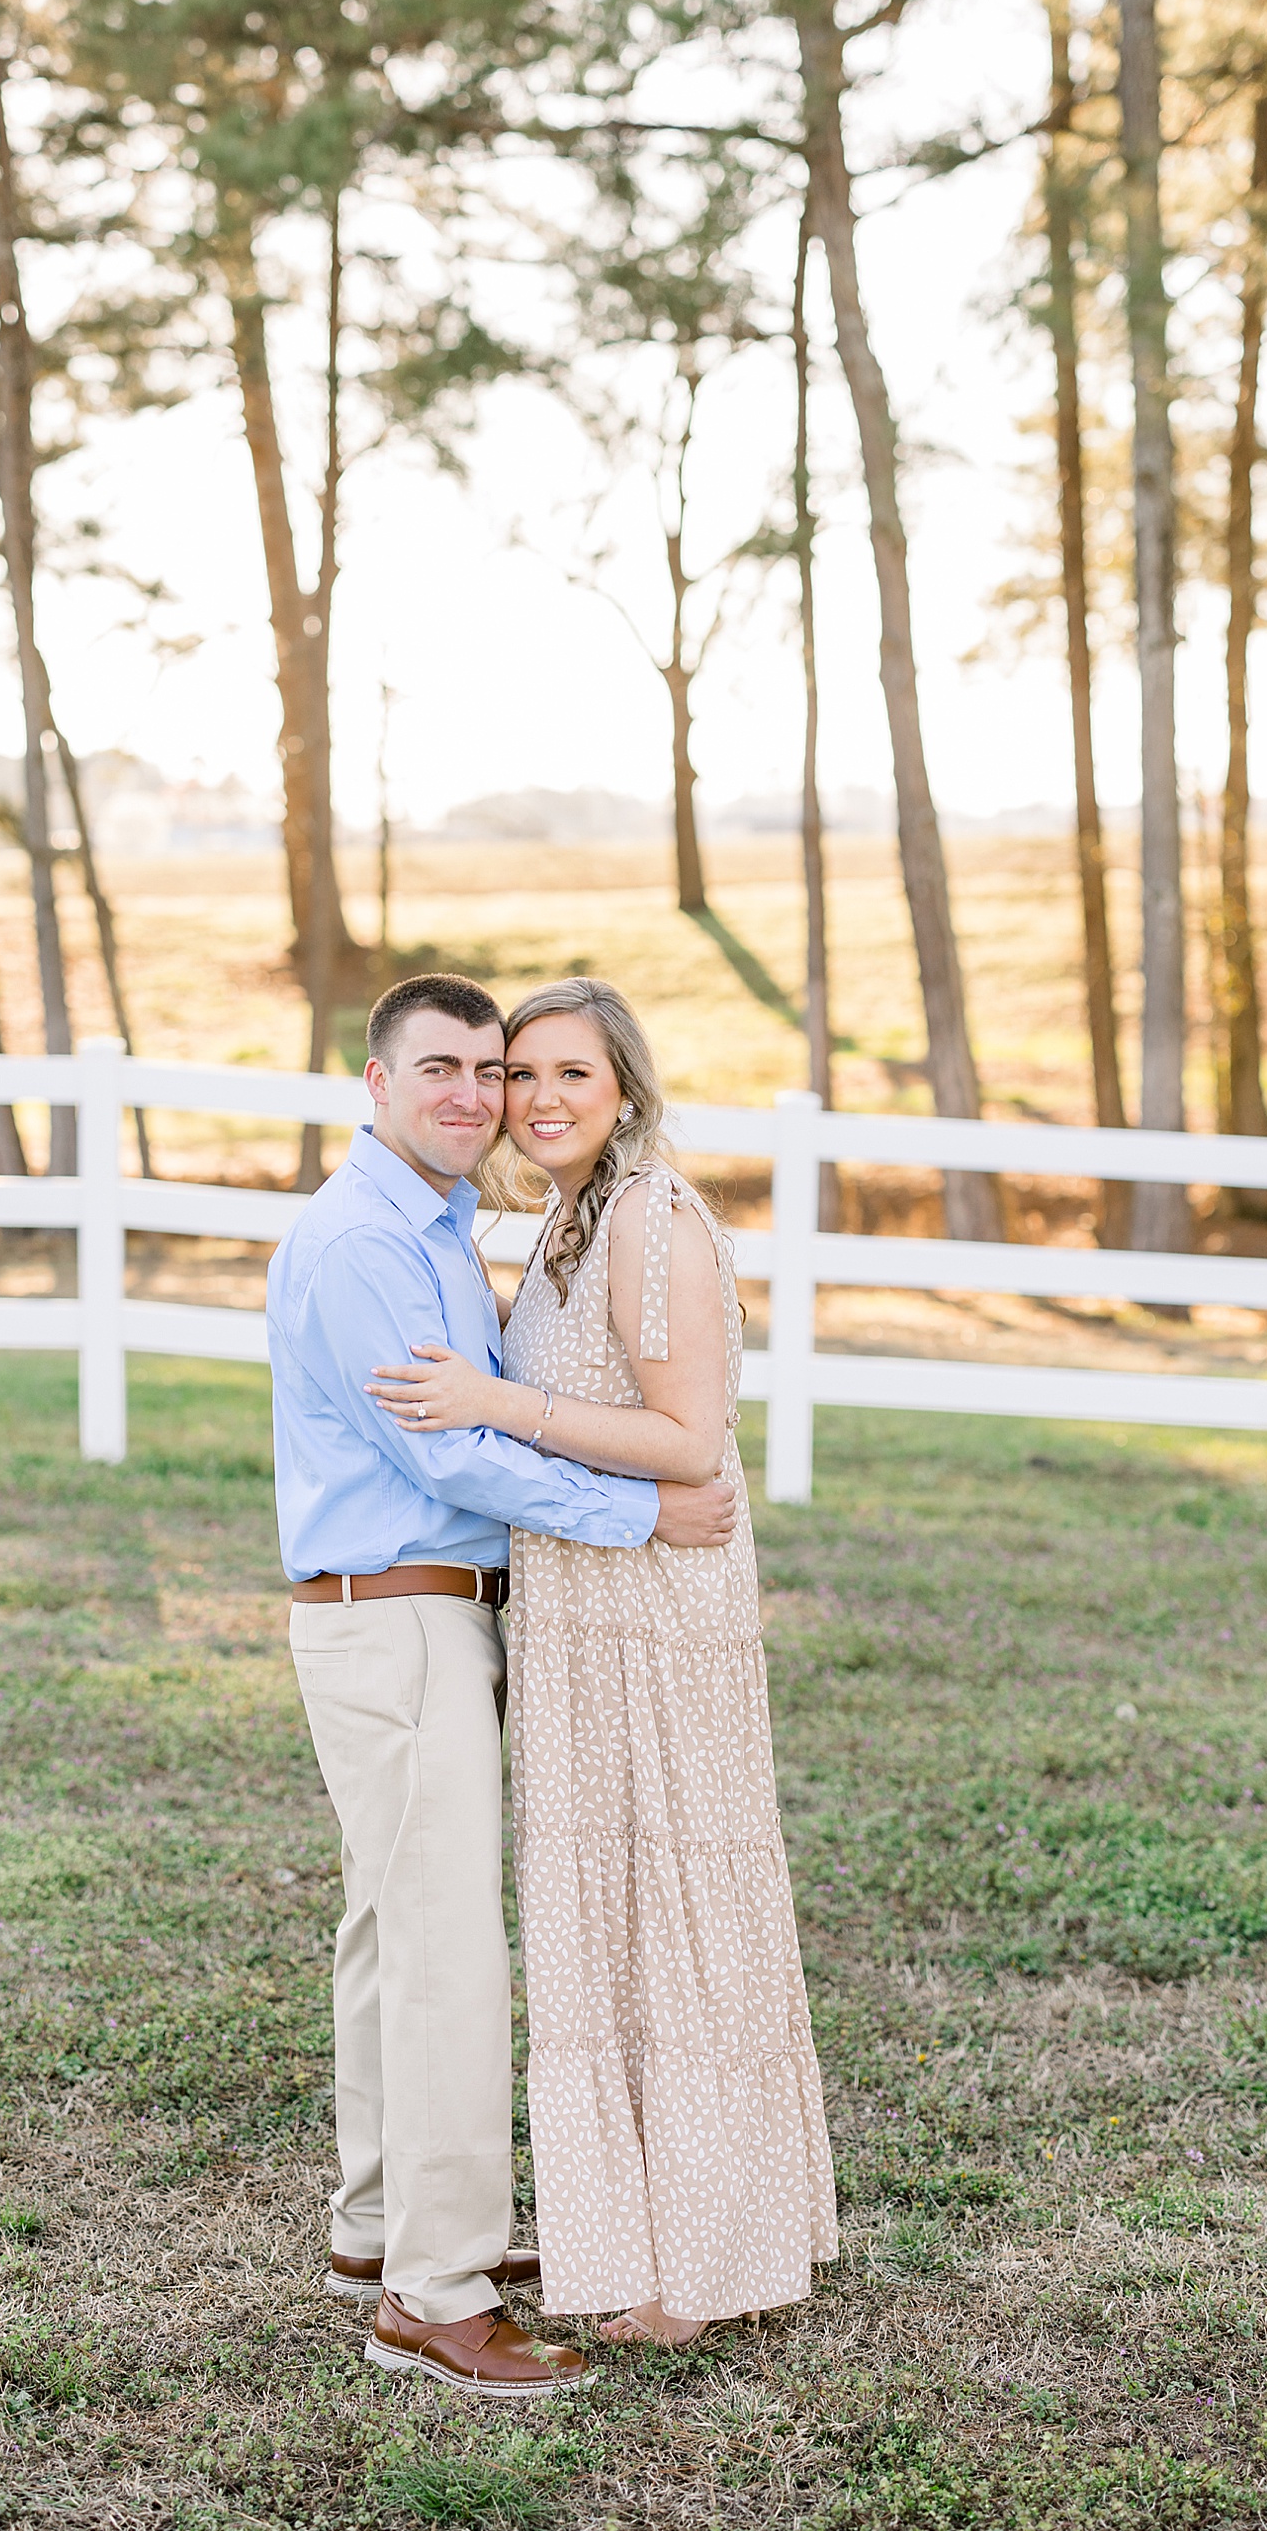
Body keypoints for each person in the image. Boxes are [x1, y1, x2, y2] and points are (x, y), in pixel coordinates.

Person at [266, 972, 738, 2399]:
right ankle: (439, 2290)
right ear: (375, 1084)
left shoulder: (432, 1229)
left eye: (496, 1065)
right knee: (445, 1956)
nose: (479, 1094)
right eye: (445, 1069)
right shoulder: (362, 1246)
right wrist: (641, 1514)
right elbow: (450, 1457)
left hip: (419, 1617)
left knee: (387, 1937)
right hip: (398, 1619)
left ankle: (378, 2230)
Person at [369, 976, 837, 2346]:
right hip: (581, 1603)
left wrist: (493, 1400)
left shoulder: (648, 1217)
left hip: (657, 1609)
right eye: (521, 1077)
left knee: (674, 1898)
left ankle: (696, 2268)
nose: (540, 1100)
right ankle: (646, 2238)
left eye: (572, 1074)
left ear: (623, 1088)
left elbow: (692, 1441)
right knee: (610, 1906)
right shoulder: (569, 1219)